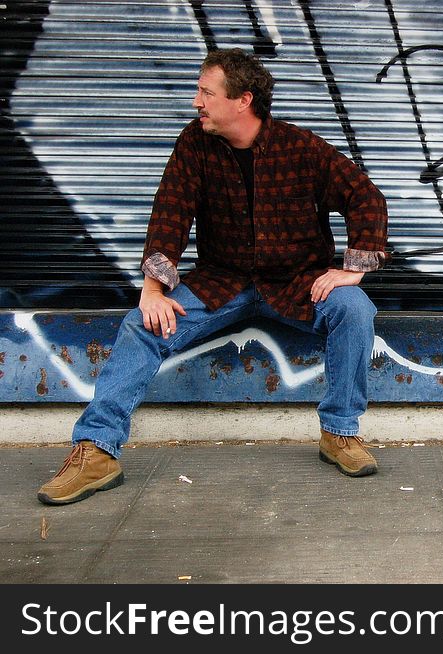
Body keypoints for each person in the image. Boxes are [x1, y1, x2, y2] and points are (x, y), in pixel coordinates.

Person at [37, 48, 388, 505]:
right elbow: (170, 213)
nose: (196, 102)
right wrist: (153, 289)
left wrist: (352, 271)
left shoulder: (301, 147)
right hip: (222, 282)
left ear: (242, 100)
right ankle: (96, 449)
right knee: (139, 325)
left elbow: (366, 198)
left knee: (354, 309)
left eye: (206, 92)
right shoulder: (194, 144)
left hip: (297, 282)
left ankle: (339, 433)